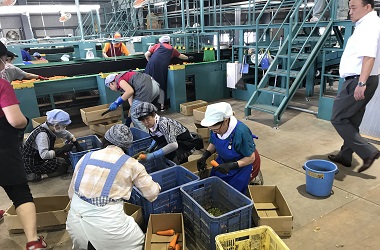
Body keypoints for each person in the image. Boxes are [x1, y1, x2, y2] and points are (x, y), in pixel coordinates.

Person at [66, 124, 160, 250]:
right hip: (108, 229)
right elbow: (152, 194)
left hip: (75, 224)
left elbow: (71, 194)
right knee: (138, 241)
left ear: (105, 139)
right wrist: (157, 186)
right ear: (128, 146)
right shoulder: (132, 164)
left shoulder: (85, 157)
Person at [0, 41, 47, 249]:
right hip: (3, 147)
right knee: (19, 192)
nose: (5, 64)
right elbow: (15, 120)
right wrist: (25, 121)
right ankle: (33, 242)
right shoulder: (1, 84)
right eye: (3, 59)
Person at [328, 0, 380, 173]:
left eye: (353, 8)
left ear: (367, 7)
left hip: (359, 79)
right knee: (352, 119)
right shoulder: (368, 23)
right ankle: (345, 155)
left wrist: (361, 83)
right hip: (366, 78)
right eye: (349, 8)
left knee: (338, 117)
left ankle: (368, 152)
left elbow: (369, 56)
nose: (350, 12)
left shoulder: (369, 26)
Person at [197, 102, 260, 194]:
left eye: (216, 129)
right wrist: (205, 156)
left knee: (233, 193)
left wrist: (232, 166)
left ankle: (254, 178)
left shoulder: (241, 132)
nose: (214, 132)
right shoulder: (215, 129)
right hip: (224, 161)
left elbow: (251, 158)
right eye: (211, 130)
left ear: (226, 120)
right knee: (216, 186)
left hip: (243, 165)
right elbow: (214, 142)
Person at [21, 109, 84, 182]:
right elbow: (44, 155)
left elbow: (65, 134)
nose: (64, 128)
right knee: (62, 166)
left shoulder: (50, 127)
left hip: (37, 156)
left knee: (63, 159)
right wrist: (62, 149)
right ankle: (37, 176)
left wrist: (76, 143)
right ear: (56, 125)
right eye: (63, 126)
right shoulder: (42, 135)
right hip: (31, 163)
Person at [134, 102, 200, 164]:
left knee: (174, 158)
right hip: (170, 141)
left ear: (153, 114)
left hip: (184, 143)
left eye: (147, 118)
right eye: (142, 120)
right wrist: (150, 149)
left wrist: (153, 155)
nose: (146, 122)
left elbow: (173, 145)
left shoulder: (163, 123)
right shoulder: (152, 125)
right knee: (159, 151)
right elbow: (157, 136)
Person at [144, 35, 193, 111]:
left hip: (150, 67)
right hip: (161, 69)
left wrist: (150, 62)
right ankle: (160, 106)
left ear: (161, 41)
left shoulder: (157, 45)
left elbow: (146, 54)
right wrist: (188, 58)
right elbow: (181, 56)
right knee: (160, 86)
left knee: (149, 85)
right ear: (169, 42)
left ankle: (148, 107)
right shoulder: (172, 49)